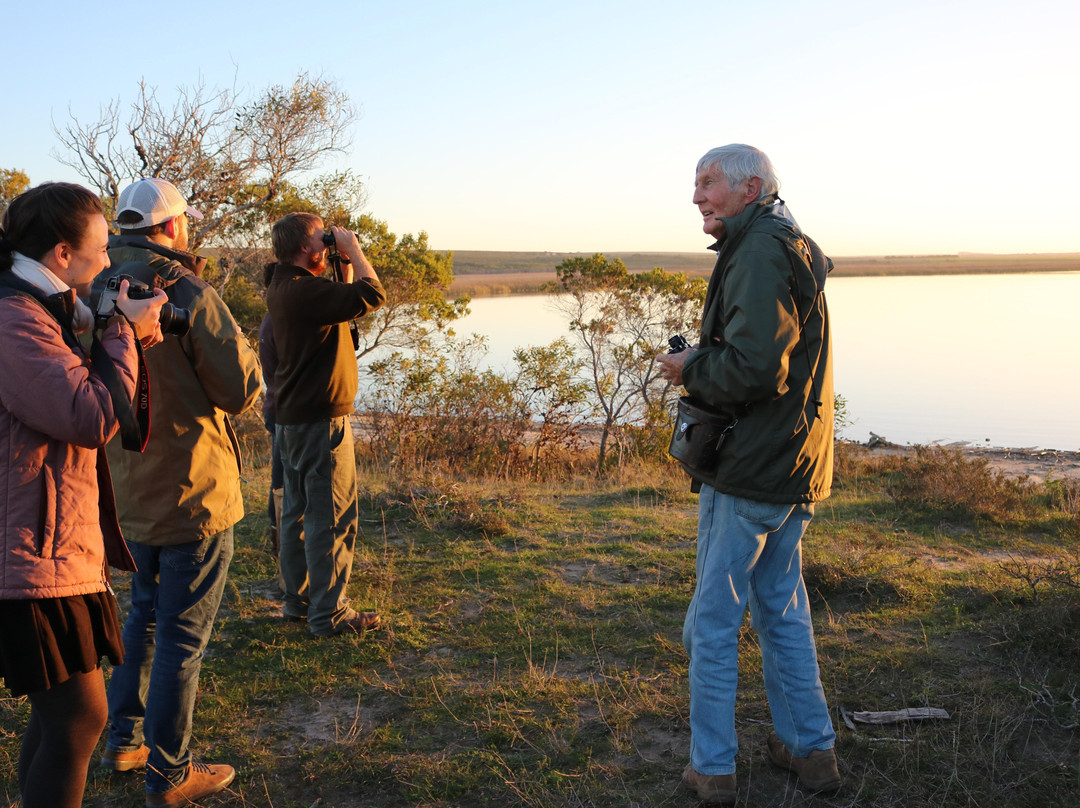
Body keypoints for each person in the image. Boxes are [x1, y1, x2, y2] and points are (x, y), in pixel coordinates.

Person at [656, 144, 839, 805]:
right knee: (782, 611)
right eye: (697, 184)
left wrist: (691, 369)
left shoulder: (759, 251)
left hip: (753, 469)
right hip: (792, 463)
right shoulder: (779, 244)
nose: (697, 197)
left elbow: (760, 371)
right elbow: (769, 353)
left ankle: (713, 769)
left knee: (710, 620)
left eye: (708, 184)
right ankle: (809, 751)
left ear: (751, 186)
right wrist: (712, 352)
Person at [0, 182, 165, 808]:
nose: (109, 263)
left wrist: (117, 327)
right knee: (79, 718)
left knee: (58, 718)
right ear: (63, 254)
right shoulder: (15, 319)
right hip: (29, 554)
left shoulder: (40, 306)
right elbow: (90, 415)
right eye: (101, 250)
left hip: (51, 544)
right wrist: (121, 332)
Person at [98, 178, 261, 807]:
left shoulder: (90, 286)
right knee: (181, 637)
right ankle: (170, 773)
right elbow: (240, 391)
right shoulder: (185, 290)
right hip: (193, 492)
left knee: (140, 617)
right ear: (170, 228)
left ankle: (124, 741)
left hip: (124, 490)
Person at [265, 212, 386, 637]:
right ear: (304, 248)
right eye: (322, 239)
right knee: (331, 515)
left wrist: (340, 263)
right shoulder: (301, 291)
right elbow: (371, 294)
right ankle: (329, 613)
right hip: (320, 422)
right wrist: (353, 249)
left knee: (298, 513)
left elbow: (338, 298)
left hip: (295, 419)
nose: (328, 243)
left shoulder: (286, 286)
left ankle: (298, 602)